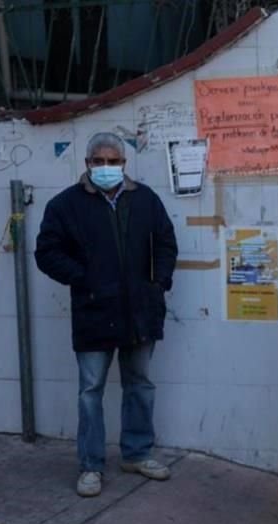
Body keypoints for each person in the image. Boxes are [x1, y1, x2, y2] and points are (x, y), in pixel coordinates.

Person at [34, 132, 178, 498]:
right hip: (95, 311)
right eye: (98, 161)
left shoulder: (145, 199)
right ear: (86, 165)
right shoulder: (66, 205)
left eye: (113, 161)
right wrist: (83, 278)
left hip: (140, 312)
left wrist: (158, 282)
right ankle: (90, 466)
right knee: (90, 391)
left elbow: (165, 242)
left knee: (140, 385)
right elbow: (47, 252)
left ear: (124, 164)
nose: (106, 168)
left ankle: (137, 453)